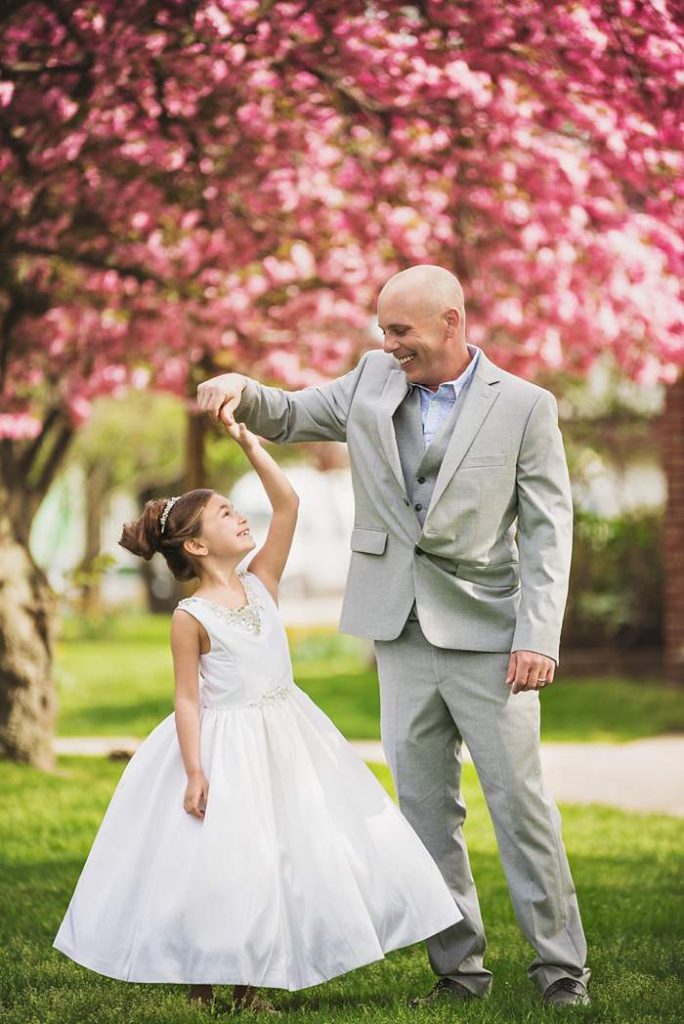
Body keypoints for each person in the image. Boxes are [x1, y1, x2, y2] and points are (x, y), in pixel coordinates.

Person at [195, 264, 591, 1008]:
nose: (388, 342)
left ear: (451, 321)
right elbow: (287, 413)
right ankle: (459, 973)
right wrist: (240, 388)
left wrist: (537, 633)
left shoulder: (527, 407)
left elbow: (547, 531)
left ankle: (561, 970)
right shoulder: (371, 379)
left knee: (520, 805)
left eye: (401, 330)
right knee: (423, 811)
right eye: (383, 329)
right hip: (397, 629)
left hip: (490, 635)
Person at [51, 415, 464, 1015]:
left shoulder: (261, 581)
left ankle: (253, 986)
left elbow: (287, 503)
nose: (239, 516)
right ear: (195, 546)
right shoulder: (190, 617)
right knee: (220, 863)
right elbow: (188, 697)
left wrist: (249, 444)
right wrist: (194, 771)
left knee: (277, 855)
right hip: (225, 745)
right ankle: (202, 983)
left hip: (288, 738)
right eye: (223, 514)